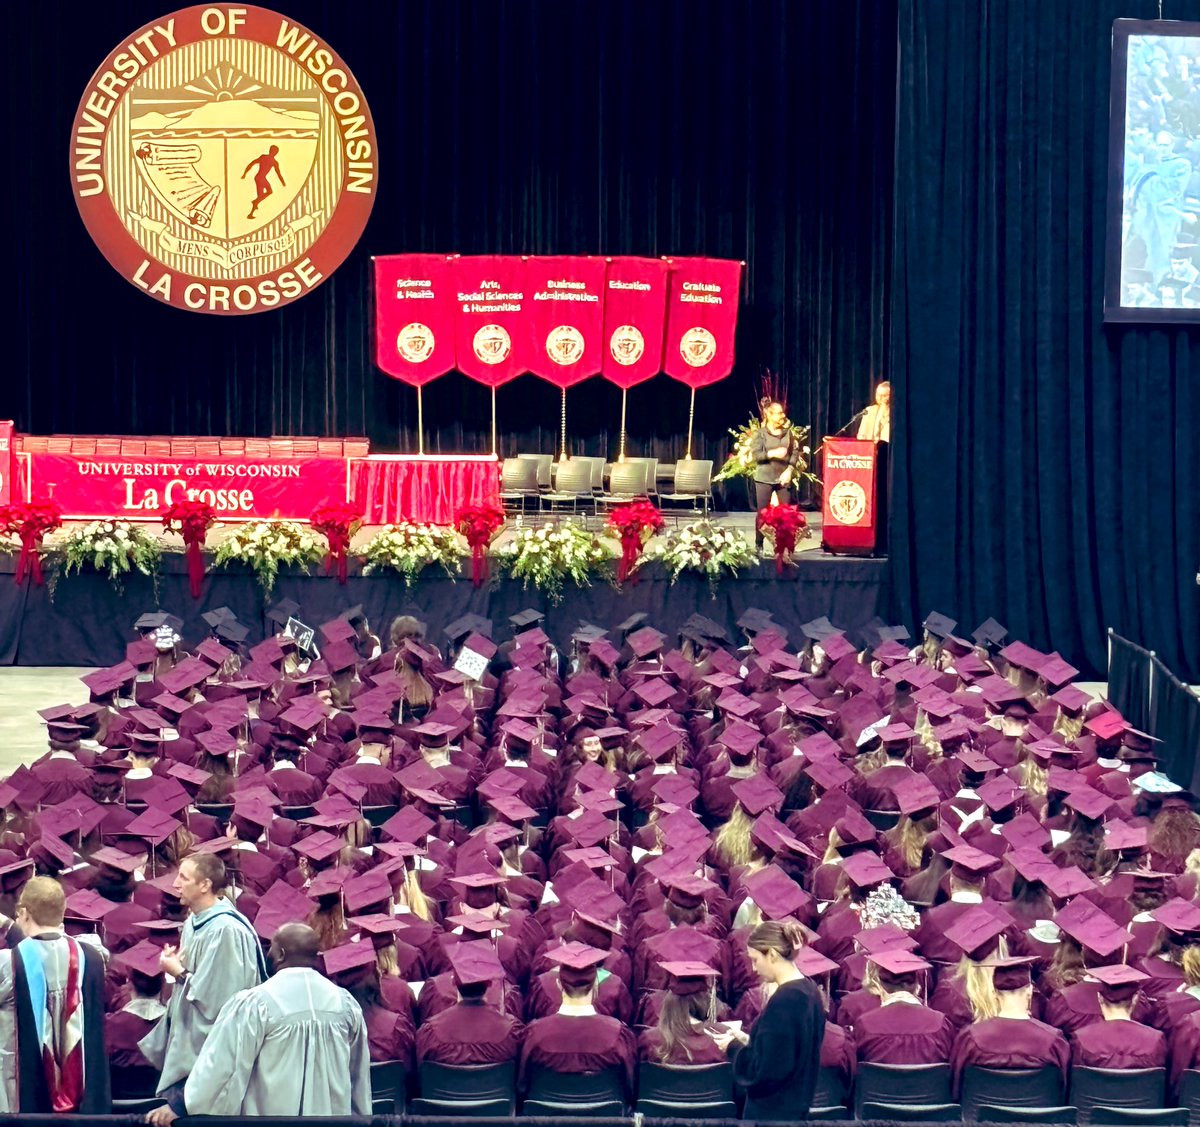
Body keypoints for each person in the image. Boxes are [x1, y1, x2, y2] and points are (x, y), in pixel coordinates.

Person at [146, 923, 371, 1123]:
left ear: (280, 954)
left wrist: (182, 1105)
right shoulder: (345, 1004)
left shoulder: (257, 1003)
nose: (268, 953)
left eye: (272, 947)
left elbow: (224, 1067)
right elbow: (358, 1075)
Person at [139, 853, 265, 1118]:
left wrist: (180, 972)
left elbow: (222, 1002)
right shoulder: (193, 922)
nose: (175, 884)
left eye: (184, 877)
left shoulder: (226, 930)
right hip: (192, 1036)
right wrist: (178, 968)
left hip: (214, 1051)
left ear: (205, 885)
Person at [0, 876, 109, 1113]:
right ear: (63, 911)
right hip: (84, 1102)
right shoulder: (92, 957)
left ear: (24, 913)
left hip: (23, 1098)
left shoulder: (9, 964)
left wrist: (9, 927)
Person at [714, 920, 825, 1120]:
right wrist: (750, 1041)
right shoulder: (810, 991)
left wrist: (733, 1047)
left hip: (773, 1113)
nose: (754, 968)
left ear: (772, 954)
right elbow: (787, 1050)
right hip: (796, 1106)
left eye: (755, 959)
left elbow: (764, 1071)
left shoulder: (786, 1001)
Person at [949, 957, 1070, 1097]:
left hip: (979, 1117)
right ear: (1030, 991)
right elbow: (1064, 1091)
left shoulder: (969, 1037)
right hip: (1039, 1117)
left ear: (994, 993)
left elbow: (955, 1088)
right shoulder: (1054, 1040)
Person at [416, 941, 523, 1065]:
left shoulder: (432, 1031)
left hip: (450, 1084)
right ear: (489, 984)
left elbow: (420, 1072)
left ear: (454, 983)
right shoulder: (511, 1030)